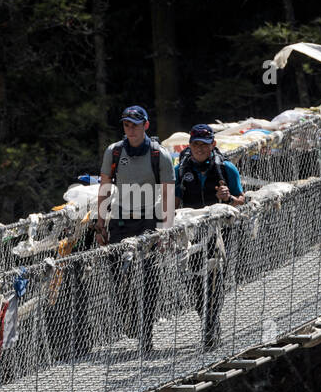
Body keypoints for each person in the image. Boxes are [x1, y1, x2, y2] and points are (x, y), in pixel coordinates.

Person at [95, 105, 175, 353]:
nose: (131, 130)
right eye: (127, 125)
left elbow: (168, 195)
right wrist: (100, 224)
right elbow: (105, 188)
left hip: (148, 220)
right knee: (117, 274)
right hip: (120, 219)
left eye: (136, 125)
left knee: (149, 276)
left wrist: (166, 230)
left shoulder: (159, 155)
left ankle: (146, 332)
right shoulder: (114, 152)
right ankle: (130, 317)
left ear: (146, 126)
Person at [174, 124, 245, 350]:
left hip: (220, 232)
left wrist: (229, 198)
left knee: (215, 278)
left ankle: (211, 326)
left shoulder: (226, 168)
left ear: (213, 145)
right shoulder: (180, 171)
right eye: (195, 144)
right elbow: (174, 203)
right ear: (189, 145)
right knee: (196, 281)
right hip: (193, 234)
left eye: (204, 145)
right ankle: (208, 321)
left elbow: (241, 200)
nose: (200, 149)